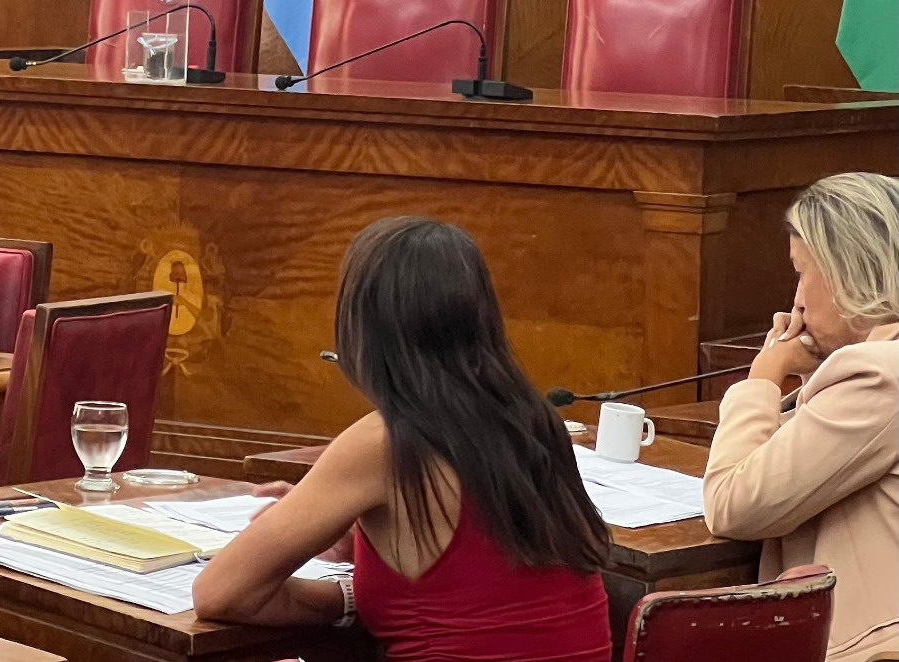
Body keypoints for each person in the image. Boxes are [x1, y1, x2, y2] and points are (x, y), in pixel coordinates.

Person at [193, 217, 613, 662]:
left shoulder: (386, 441)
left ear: (362, 329)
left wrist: (342, 593)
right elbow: (490, 584)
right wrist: (360, 561)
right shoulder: (537, 420)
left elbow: (220, 594)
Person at [704, 172, 899, 662]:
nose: (796, 300)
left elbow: (732, 503)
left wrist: (764, 375)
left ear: (849, 272)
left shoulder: (879, 377)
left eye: (802, 273)